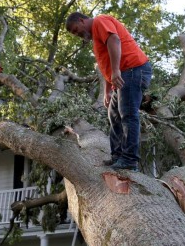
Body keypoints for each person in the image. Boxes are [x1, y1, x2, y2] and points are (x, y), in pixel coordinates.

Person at [65, 12, 152, 171]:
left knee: (128, 114)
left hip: (133, 70)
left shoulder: (100, 21)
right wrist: (107, 91)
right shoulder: (96, 40)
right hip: (122, 74)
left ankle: (129, 160)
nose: (76, 34)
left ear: (82, 20)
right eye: (73, 34)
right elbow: (107, 65)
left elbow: (114, 40)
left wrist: (116, 71)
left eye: (75, 29)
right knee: (114, 115)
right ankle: (117, 156)